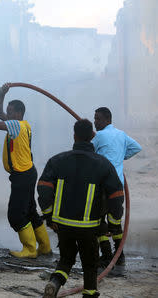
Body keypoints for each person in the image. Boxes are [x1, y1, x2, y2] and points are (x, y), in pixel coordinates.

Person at [37, 119, 124, 298]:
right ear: (92, 136)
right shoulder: (103, 164)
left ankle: (54, 283)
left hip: (62, 225)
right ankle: (89, 293)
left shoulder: (57, 160)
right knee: (90, 266)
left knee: (66, 259)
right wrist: (113, 226)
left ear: (74, 135)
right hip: (89, 227)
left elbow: (43, 189)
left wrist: (49, 217)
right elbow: (116, 198)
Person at [0, 83, 51, 258]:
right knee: (30, 211)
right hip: (27, 173)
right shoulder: (24, 125)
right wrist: (2, 94)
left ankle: (30, 249)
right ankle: (45, 247)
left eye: (10, 112)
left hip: (22, 175)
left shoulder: (16, 125)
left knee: (16, 214)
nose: (6, 115)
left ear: (18, 113)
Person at [92, 107, 142, 267]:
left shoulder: (99, 136)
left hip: (103, 186)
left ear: (107, 119)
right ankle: (119, 256)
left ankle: (106, 255)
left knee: (98, 220)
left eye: (98, 119)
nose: (95, 122)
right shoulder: (121, 135)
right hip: (118, 186)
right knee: (114, 221)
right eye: (94, 118)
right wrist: (120, 156)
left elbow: (89, 153)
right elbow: (136, 147)